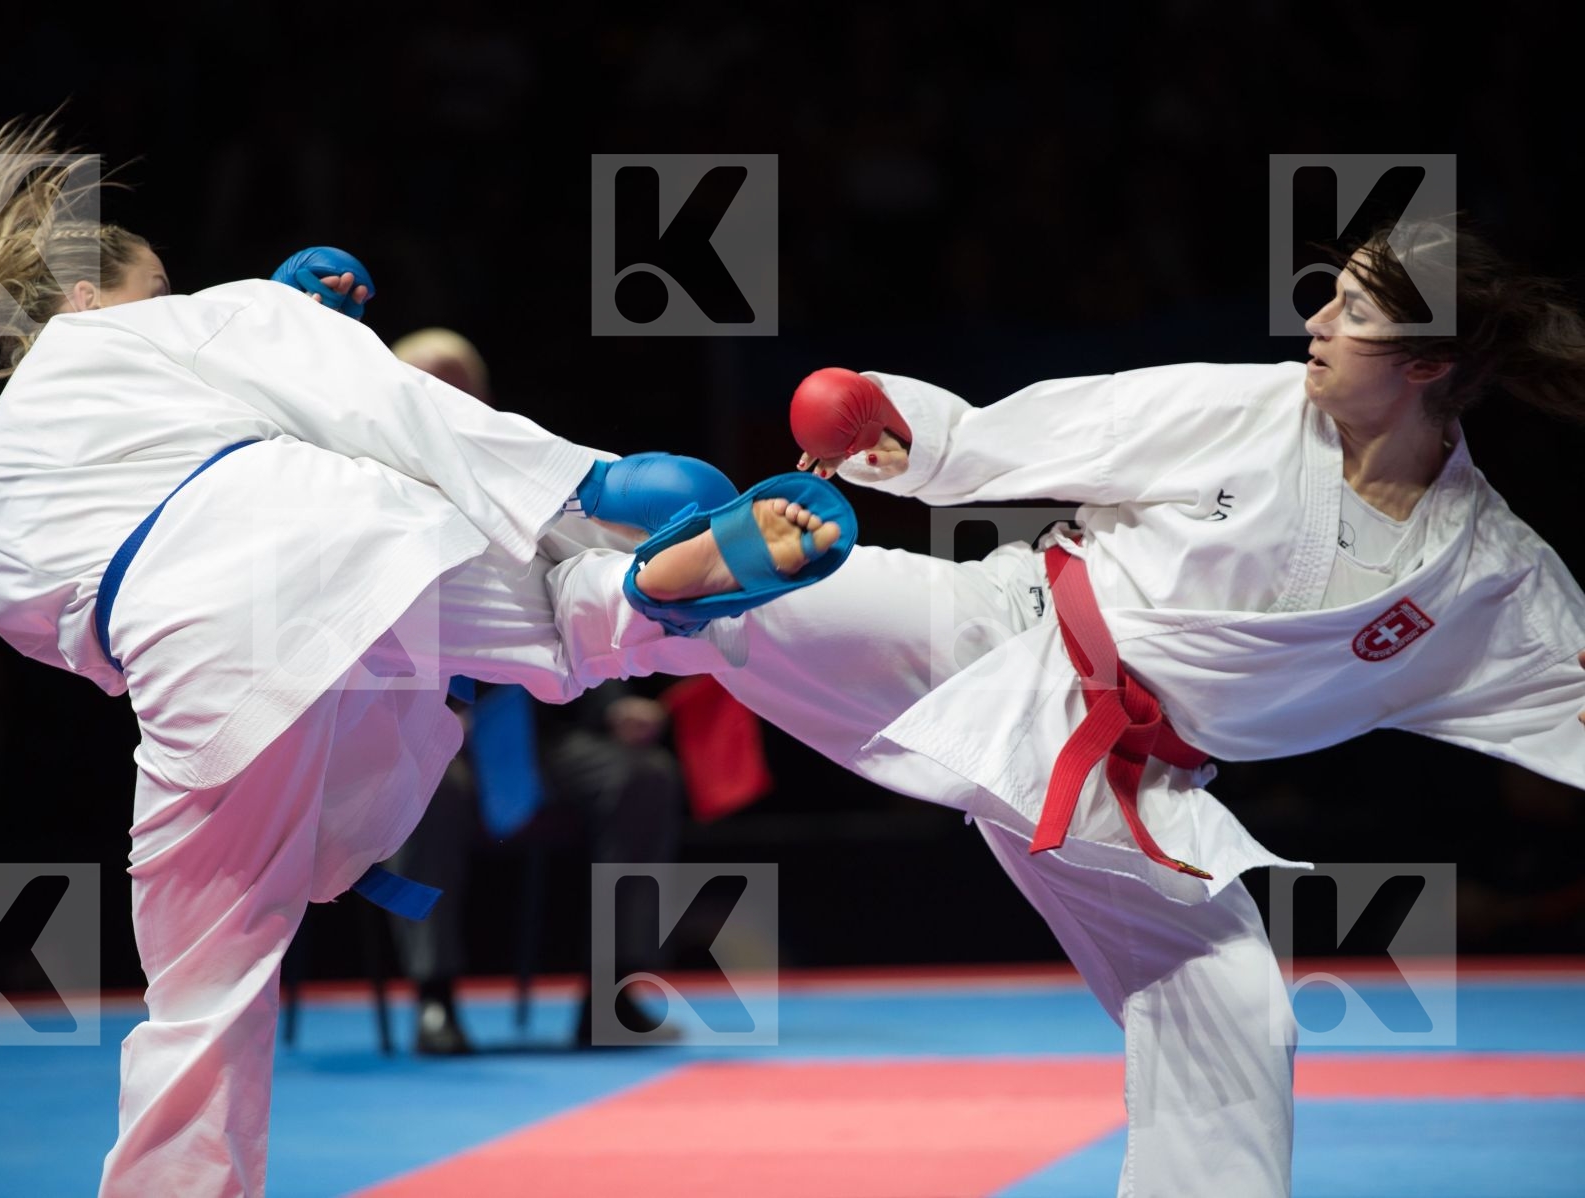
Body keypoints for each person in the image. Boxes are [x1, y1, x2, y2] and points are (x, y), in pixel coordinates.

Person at [0, 116, 850, 1198]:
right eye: (155, 285)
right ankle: (641, 583)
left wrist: (275, 343)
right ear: (82, 296)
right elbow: (392, 403)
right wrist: (588, 479)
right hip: (336, 536)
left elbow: (36, 624)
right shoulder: (213, 322)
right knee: (557, 610)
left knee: (203, 993)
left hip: (184, 641)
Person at [543, 216, 1585, 1197]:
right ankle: (514, 556)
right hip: (1005, 630)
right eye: (1332, 297)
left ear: (1429, 365)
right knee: (746, 595)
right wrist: (909, 433)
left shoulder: (1486, 574)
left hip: (1136, 788)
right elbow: (1049, 431)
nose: (1316, 323)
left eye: (1356, 314)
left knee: (1232, 1004)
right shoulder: (1250, 409)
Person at [379, 329, 686, 1054]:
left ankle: (611, 995)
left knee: (640, 775)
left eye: (460, 385)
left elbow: (590, 595)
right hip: (424, 735)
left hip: (544, 736)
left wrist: (619, 707)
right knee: (426, 786)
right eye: (427, 387)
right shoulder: (364, 495)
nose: (448, 399)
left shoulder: (537, 486)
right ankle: (435, 999)